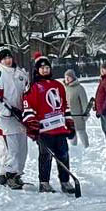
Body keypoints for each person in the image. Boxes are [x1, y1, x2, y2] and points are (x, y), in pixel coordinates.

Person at [23, 56, 77, 194]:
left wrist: (70, 124)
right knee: (45, 156)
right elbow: (28, 108)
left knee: (64, 154)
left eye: (47, 67)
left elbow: (65, 106)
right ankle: (44, 183)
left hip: (59, 128)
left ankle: (65, 182)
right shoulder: (34, 87)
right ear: (37, 70)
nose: (45, 70)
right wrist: (33, 126)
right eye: (42, 68)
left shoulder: (58, 85)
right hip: (44, 130)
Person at [0, 46, 30, 189]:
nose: (8, 60)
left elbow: (28, 92)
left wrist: (28, 110)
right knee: (13, 148)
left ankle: (16, 174)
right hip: (5, 118)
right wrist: (4, 111)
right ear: (0, 60)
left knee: (23, 148)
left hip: (21, 116)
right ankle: (10, 174)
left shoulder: (21, 74)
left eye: (9, 57)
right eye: (4, 58)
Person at [64, 69, 90, 146]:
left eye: (69, 77)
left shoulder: (79, 88)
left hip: (78, 116)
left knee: (81, 132)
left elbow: (84, 103)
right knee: (71, 134)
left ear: (73, 77)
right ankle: (74, 150)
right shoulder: (65, 88)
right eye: (66, 77)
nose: (67, 79)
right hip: (69, 116)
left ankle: (86, 147)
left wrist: (85, 114)